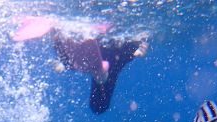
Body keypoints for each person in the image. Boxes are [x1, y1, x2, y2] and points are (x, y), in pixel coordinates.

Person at [12, 16, 149, 114]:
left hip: (108, 51)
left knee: (98, 100)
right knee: (98, 102)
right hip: (110, 51)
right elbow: (138, 45)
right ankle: (56, 32)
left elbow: (138, 45)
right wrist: (140, 47)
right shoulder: (121, 55)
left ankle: (57, 32)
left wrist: (140, 48)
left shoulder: (121, 54)